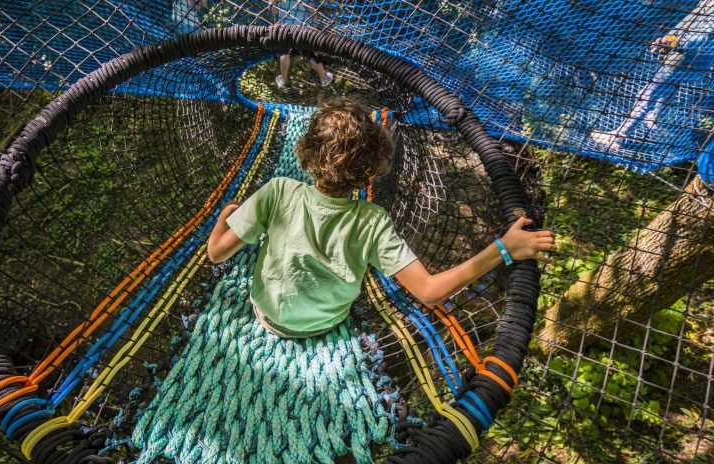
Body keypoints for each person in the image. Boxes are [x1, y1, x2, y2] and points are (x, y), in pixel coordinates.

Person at [207, 98, 555, 338]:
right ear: (371, 172)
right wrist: (504, 248)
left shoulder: (278, 191)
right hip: (322, 324)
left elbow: (217, 253)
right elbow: (430, 292)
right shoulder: (373, 221)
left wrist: (226, 216)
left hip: (267, 316)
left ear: (306, 152)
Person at [590, 0, 714, 151]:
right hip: (701, 65)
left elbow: (699, 36)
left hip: (686, 57)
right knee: (669, 89)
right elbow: (691, 24)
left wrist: (670, 44)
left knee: (649, 93)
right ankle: (654, 120)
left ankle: (618, 135)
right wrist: (669, 40)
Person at [273, 1, 334, 88]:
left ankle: (283, 78)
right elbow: (312, 12)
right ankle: (323, 77)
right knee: (311, 53)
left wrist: (276, 24)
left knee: (285, 53)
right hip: (302, 29)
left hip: (285, 28)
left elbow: (273, 10)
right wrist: (314, 29)